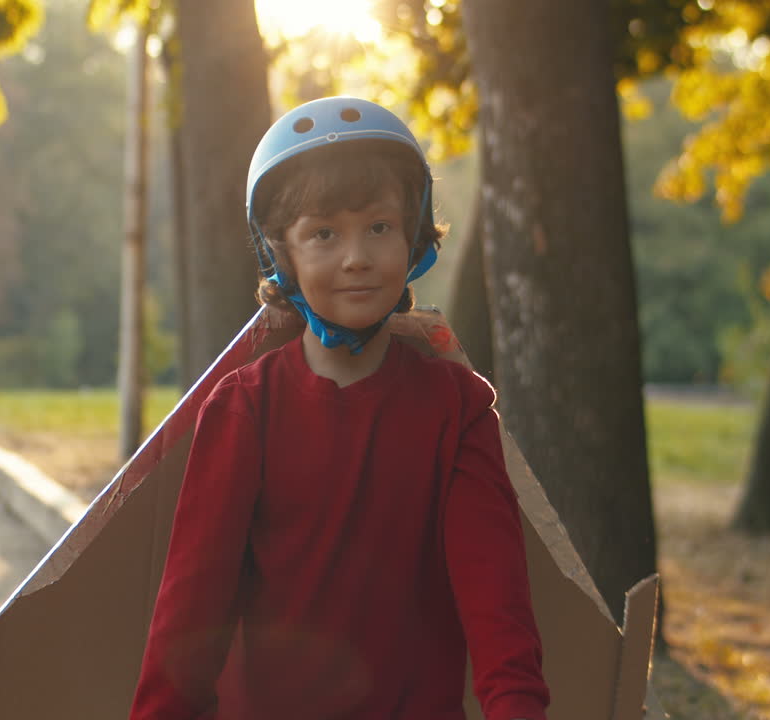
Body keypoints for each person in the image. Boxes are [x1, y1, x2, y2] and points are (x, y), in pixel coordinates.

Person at [129, 96, 549, 720]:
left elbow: (498, 609)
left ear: (412, 238)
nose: (357, 256)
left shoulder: (457, 408)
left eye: (379, 227)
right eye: (324, 233)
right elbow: (189, 618)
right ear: (283, 255)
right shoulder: (244, 409)